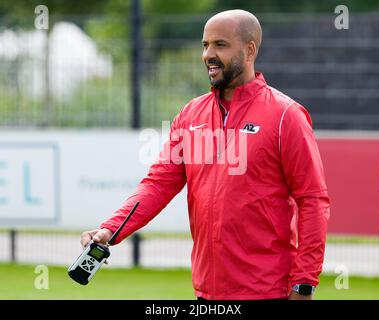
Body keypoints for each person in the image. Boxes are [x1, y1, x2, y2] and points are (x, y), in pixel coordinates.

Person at [81, 9, 330, 300]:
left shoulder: (286, 116)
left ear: (249, 50)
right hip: (206, 292)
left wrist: (304, 283)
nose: (208, 55)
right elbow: (158, 184)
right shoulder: (190, 114)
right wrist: (110, 230)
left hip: (267, 291)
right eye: (205, 45)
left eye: (220, 45)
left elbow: (313, 201)